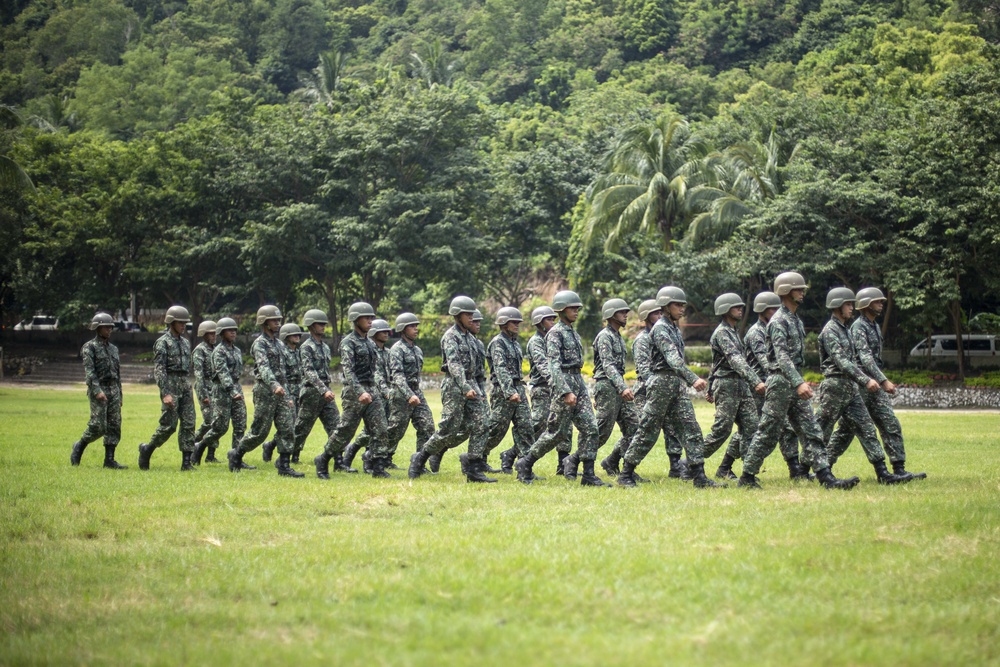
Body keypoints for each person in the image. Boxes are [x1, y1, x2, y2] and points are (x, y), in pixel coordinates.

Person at [737, 272, 860, 490]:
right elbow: (782, 356)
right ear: (785, 291)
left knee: (811, 430)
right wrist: (798, 382)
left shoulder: (795, 319)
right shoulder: (778, 321)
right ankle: (747, 477)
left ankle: (826, 477)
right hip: (781, 382)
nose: (802, 292)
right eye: (798, 289)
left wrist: (797, 381)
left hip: (792, 382)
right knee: (768, 432)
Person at [619, 287, 722, 488]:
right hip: (661, 383)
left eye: (683, 304)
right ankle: (625, 474)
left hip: (676, 384)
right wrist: (693, 378)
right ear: (666, 306)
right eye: (677, 304)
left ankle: (699, 476)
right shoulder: (660, 328)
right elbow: (673, 359)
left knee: (691, 427)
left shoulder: (674, 328)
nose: (682, 308)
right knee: (648, 429)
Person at [826, 287, 926, 480]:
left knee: (890, 423)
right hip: (862, 384)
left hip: (873, 386)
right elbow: (865, 358)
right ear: (865, 305)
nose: (881, 303)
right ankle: (824, 466)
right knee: (846, 431)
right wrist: (883, 380)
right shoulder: (858, 327)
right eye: (877, 301)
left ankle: (898, 468)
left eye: (881, 301)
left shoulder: (874, 326)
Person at [514, 290, 608, 487]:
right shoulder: (555, 333)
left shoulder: (573, 332)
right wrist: (565, 391)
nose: (576, 311)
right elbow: (553, 366)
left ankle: (588, 475)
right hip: (563, 382)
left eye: (577, 308)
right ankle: (525, 462)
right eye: (572, 308)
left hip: (577, 380)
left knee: (591, 428)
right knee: (555, 433)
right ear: (561, 310)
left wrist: (580, 389)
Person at [408, 296, 495, 483]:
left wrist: (475, 387)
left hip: (470, 384)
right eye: (467, 314)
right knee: (448, 429)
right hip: (455, 386)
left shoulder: (470, 339)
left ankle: (473, 468)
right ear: (457, 315)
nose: (471, 317)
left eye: (472, 314)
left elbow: (475, 367)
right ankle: (420, 458)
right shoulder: (450, 337)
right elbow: (454, 364)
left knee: (483, 424)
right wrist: (465, 386)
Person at [731, 292, 809, 480]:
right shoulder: (756, 333)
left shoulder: (777, 326)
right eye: (771, 309)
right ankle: (729, 466)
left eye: (776, 308)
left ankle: (795, 468)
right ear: (761, 310)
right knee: (753, 430)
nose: (775, 312)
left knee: (784, 429)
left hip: (773, 385)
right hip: (760, 388)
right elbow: (766, 361)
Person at [314, 303, 393, 479]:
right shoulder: (348, 342)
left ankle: (378, 466)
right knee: (345, 430)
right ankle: (324, 458)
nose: (371, 321)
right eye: (367, 318)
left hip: (371, 389)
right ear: (356, 319)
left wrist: (374, 390)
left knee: (380, 428)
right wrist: (359, 392)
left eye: (372, 318)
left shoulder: (370, 343)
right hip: (354, 392)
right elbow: (348, 371)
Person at [227, 305, 301, 477]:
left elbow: (284, 372)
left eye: (278, 320)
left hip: (282, 391)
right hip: (266, 390)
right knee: (259, 431)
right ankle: (236, 454)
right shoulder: (259, 344)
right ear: (264, 322)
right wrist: (274, 385)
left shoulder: (280, 345)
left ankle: (284, 466)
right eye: (273, 320)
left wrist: (287, 394)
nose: (277, 323)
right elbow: (264, 367)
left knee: (287, 427)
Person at [702, 293, 765, 480]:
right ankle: (691, 461)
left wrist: (710, 385)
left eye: (740, 306)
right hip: (728, 385)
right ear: (725, 310)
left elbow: (716, 363)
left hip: (740, 385)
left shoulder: (733, 332)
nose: (740, 309)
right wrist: (756, 381)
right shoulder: (722, 333)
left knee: (751, 427)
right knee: (722, 429)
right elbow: (734, 361)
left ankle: (748, 474)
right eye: (736, 307)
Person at [629, 299, 685, 480]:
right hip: (646, 390)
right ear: (646, 316)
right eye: (655, 313)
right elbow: (644, 369)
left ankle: (675, 466)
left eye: (660, 312)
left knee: (672, 428)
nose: (659, 316)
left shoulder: (667, 333)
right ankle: (615, 461)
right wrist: (656, 385)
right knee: (642, 429)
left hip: (664, 389)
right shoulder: (642, 340)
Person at [138, 306, 197, 471]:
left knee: (189, 423)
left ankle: (186, 462)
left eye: (185, 322)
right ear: (171, 322)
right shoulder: (162, 342)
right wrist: (165, 393)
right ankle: (147, 449)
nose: (183, 325)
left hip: (185, 384)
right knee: (169, 425)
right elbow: (159, 369)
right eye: (180, 322)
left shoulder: (185, 342)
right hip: (170, 384)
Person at [588, 298, 639, 479]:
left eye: (626, 312)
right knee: (601, 432)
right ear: (611, 315)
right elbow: (608, 365)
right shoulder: (605, 336)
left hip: (617, 386)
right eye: (622, 312)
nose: (626, 315)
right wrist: (622, 387)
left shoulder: (617, 336)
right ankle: (574, 460)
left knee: (634, 426)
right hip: (608, 387)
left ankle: (624, 467)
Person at [71, 312, 126, 469]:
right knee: (98, 425)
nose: (109, 329)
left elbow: (118, 373)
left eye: (110, 327)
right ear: (97, 328)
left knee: (114, 425)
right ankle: (79, 445)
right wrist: (96, 390)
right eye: (106, 327)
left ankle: (109, 460)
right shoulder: (90, 347)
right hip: (99, 388)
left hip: (114, 388)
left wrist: (120, 394)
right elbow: (90, 372)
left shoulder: (114, 349)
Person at [523, 305, 573, 477]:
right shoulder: (535, 342)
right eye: (548, 319)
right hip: (542, 389)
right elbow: (544, 366)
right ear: (539, 322)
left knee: (564, 426)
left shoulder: (555, 338)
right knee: (538, 425)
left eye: (553, 318)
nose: (552, 321)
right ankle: (514, 455)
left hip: (557, 388)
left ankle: (563, 464)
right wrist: (557, 384)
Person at [484, 307, 534, 473]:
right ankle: (474, 458)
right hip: (504, 392)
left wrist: (517, 390)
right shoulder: (498, 343)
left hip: (518, 388)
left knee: (526, 428)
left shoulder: (515, 344)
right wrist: (509, 391)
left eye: (518, 322)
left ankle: (524, 467)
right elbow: (500, 368)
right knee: (496, 431)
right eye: (514, 322)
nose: (517, 325)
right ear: (503, 323)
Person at [342, 318, 394, 473]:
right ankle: (353, 454)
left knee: (380, 429)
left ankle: (376, 461)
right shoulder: (370, 350)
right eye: (382, 331)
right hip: (373, 393)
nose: (386, 334)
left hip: (383, 395)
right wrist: (385, 392)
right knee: (369, 430)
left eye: (387, 331)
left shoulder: (387, 352)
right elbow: (376, 375)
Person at [384, 313, 436, 469]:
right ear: (402, 329)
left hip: (416, 392)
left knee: (427, 426)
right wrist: (409, 395)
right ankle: (380, 457)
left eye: (416, 326)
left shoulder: (418, 350)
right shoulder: (396, 350)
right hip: (401, 394)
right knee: (396, 429)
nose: (416, 329)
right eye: (412, 326)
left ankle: (419, 461)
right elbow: (397, 376)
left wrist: (415, 393)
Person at [194, 317, 245, 465]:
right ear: (222, 332)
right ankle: (199, 446)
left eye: (235, 330)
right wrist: (231, 390)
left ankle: (237, 457)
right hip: (222, 390)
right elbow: (222, 372)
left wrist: (236, 389)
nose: (233, 333)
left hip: (236, 387)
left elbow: (237, 372)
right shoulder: (218, 352)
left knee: (240, 424)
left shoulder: (237, 350)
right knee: (219, 427)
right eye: (230, 330)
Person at [292, 309, 341, 465]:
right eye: (320, 324)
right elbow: (309, 371)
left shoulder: (325, 347)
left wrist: (327, 389)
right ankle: (291, 456)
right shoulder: (306, 347)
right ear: (311, 326)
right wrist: (323, 389)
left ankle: (339, 460)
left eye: (324, 324)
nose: (323, 326)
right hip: (311, 392)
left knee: (336, 425)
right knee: (302, 428)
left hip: (326, 391)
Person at [262, 323, 303, 463]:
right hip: (287, 389)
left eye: (298, 334)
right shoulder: (282, 352)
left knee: (298, 424)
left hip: (299, 389)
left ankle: (276, 447)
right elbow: (282, 374)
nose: (297, 337)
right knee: (289, 424)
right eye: (294, 334)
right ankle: (279, 450)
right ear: (286, 336)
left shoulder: (298, 352)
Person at [191, 320, 218, 459]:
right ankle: (192, 443)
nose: (214, 336)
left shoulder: (215, 350)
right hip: (205, 389)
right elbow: (199, 375)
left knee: (217, 421)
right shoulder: (200, 350)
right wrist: (203, 395)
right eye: (211, 334)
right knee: (209, 421)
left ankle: (211, 455)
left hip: (215, 389)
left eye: (215, 333)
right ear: (204, 334)